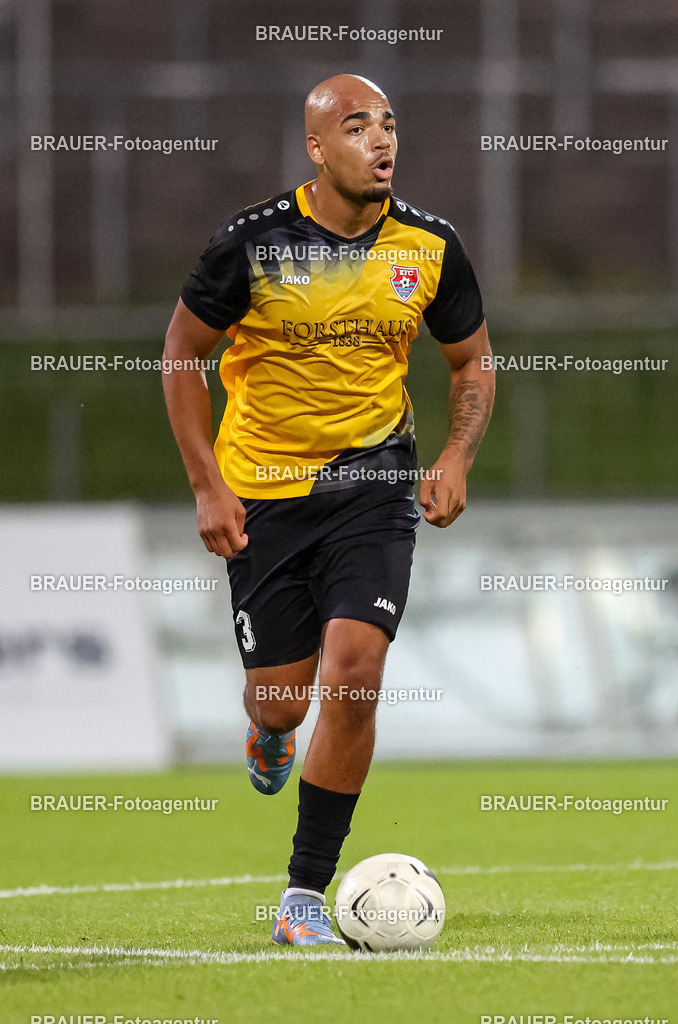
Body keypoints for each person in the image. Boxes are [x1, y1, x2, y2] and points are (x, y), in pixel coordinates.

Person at [163, 73, 495, 945]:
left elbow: (471, 361)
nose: (380, 141)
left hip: (374, 488)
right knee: (281, 705)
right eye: (357, 128)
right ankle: (267, 735)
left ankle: (303, 895)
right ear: (316, 147)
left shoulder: (428, 246)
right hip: (264, 497)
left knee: (355, 672)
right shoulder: (254, 245)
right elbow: (179, 355)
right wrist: (206, 484)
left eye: (389, 124)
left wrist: (456, 455)